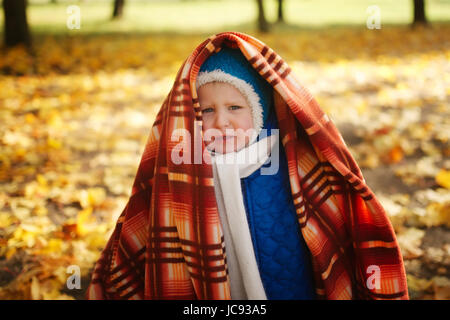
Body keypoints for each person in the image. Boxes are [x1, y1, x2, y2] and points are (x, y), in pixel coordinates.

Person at [87, 31, 409, 300]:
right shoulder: (182, 170)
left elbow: (330, 224)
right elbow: (147, 224)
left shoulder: (289, 160)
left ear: (259, 112)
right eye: (207, 110)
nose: (221, 122)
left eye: (234, 107)